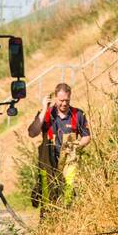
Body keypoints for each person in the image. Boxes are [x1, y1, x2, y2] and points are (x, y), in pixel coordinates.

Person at [27, 83, 90, 211]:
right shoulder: (46, 114)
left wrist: (77, 146)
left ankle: (65, 221)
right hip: (47, 163)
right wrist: (44, 108)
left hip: (69, 161)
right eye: (61, 100)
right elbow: (32, 133)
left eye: (67, 100)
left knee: (68, 195)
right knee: (47, 199)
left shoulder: (78, 114)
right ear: (55, 98)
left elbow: (87, 137)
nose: (64, 103)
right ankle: (48, 224)